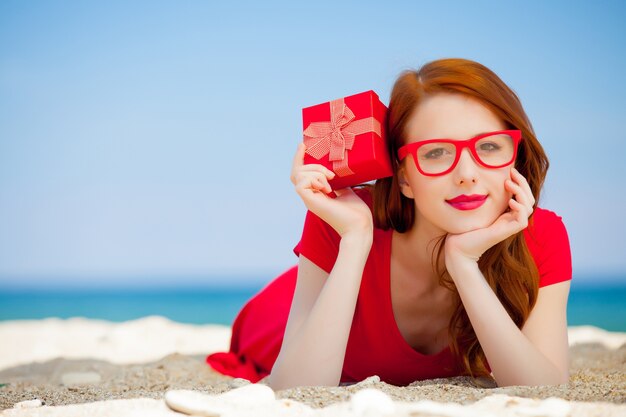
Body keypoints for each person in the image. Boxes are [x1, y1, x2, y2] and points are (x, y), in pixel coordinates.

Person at [206, 58, 572, 390]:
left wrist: (463, 264)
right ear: (404, 178)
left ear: (516, 155)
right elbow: (297, 392)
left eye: (490, 147)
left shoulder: (540, 236)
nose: (466, 175)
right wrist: (353, 240)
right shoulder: (345, 220)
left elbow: (544, 390)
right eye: (436, 153)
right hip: (283, 311)